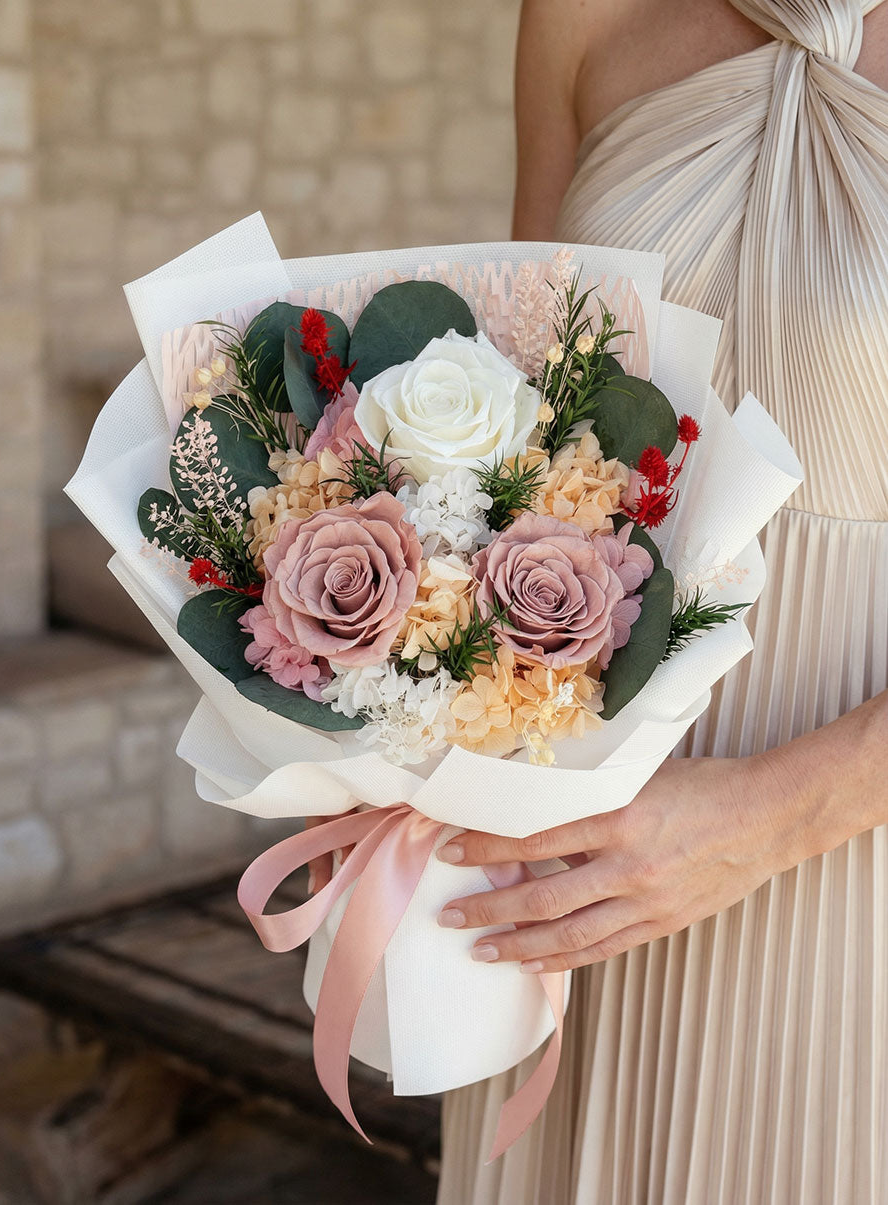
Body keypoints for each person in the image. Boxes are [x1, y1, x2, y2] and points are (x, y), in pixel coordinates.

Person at [435, 1, 888, 1202]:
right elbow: (511, 436)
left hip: (858, 852)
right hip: (573, 824)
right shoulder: (583, 12)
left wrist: (788, 811)